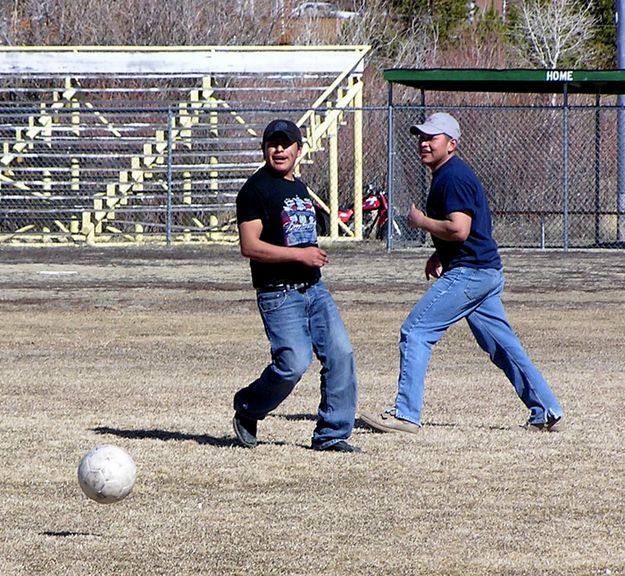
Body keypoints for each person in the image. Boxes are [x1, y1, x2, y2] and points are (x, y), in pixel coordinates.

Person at [360, 112, 563, 434]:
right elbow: (462, 233)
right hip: (483, 270)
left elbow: (458, 229)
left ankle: (405, 414)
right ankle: (547, 409)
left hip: (471, 274)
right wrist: (439, 254)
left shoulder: (452, 177)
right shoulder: (448, 174)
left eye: (432, 138)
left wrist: (421, 222)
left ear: (451, 144)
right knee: (502, 346)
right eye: (421, 137)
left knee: (416, 332)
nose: (424, 143)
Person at [233, 118, 360, 453]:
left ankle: (332, 434)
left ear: (298, 150)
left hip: (314, 290)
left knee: (341, 353)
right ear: (264, 149)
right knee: (292, 364)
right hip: (278, 294)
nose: (279, 149)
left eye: (285, 143)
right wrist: (298, 256)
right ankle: (249, 407)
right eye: (272, 144)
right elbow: (250, 245)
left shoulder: (300, 188)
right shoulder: (254, 191)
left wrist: (308, 258)